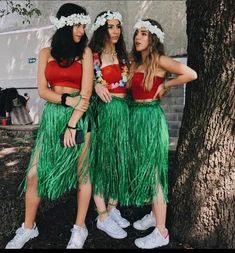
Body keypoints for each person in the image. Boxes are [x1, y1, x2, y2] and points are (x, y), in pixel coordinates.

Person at [5, 3, 93, 249]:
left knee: (83, 174)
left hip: (79, 118)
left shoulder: (85, 53)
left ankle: (80, 228)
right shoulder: (46, 53)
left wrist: (72, 124)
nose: (81, 29)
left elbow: (85, 94)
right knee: (33, 175)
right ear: (65, 24)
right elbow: (43, 91)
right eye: (77, 24)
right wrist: (65, 99)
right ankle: (28, 228)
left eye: (83, 25)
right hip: (53, 117)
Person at [127, 19, 197, 249]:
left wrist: (166, 85)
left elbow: (190, 73)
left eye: (144, 34)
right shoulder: (136, 62)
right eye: (137, 33)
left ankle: (161, 231)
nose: (138, 37)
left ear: (153, 38)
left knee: (155, 172)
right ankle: (154, 214)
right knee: (145, 169)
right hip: (136, 117)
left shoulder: (159, 60)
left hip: (150, 119)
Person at [88, 10, 130, 239]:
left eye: (117, 26)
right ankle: (102, 215)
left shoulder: (123, 55)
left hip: (124, 111)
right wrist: (96, 84)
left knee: (119, 160)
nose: (114, 31)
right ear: (101, 29)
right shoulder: (92, 55)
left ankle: (113, 209)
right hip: (105, 112)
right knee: (104, 161)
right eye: (109, 26)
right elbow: (87, 81)